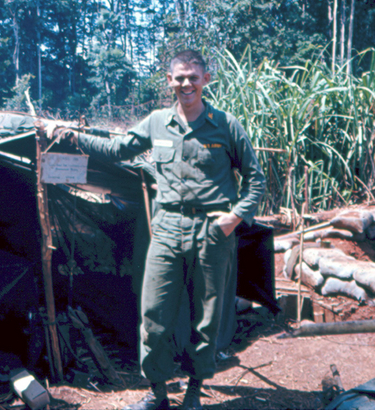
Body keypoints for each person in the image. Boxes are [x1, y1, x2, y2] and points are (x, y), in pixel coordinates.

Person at [58, 50, 265, 410]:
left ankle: (195, 391)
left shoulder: (226, 125)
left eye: (193, 77)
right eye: (179, 78)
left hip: (212, 231)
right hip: (167, 228)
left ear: (206, 80)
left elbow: (256, 180)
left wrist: (234, 218)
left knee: (206, 315)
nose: (186, 84)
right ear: (169, 81)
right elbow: (118, 149)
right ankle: (157, 392)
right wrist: (73, 138)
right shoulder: (156, 123)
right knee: (153, 313)